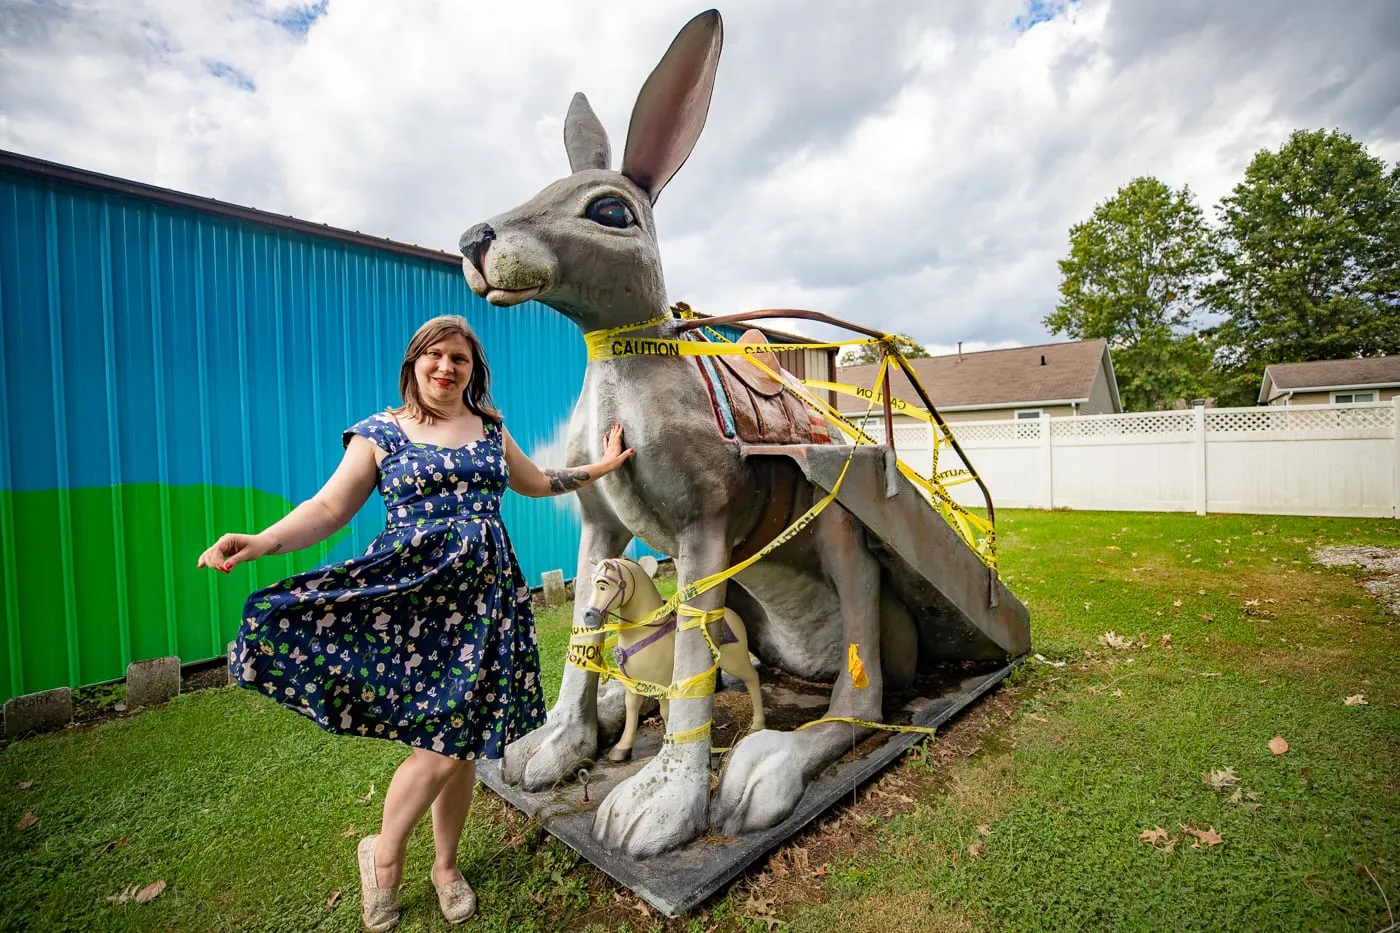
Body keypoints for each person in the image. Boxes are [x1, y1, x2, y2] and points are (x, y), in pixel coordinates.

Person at [197, 314, 633, 931]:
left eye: (459, 358)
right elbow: (328, 508)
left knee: (465, 745)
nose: (446, 367)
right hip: (416, 602)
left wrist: (602, 467)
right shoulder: (381, 433)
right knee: (436, 744)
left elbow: (537, 482)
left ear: (472, 370)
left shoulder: (488, 429)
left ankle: (446, 867)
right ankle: (384, 856)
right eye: (435, 356)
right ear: (414, 364)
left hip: (487, 602)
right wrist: (262, 541)